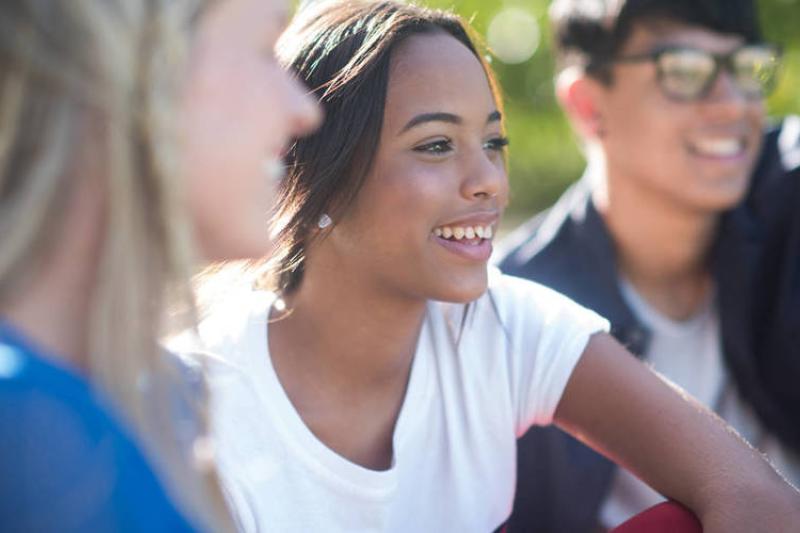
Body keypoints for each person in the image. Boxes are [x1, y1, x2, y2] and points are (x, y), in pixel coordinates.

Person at [175, 1, 800, 531]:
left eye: (493, 143)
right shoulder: (198, 404)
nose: (489, 183)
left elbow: (752, 496)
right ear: (321, 177)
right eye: (436, 145)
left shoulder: (503, 324)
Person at [0, 0, 319, 531]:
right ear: (132, 64)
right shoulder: (26, 429)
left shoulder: (153, 398)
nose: (304, 110)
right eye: (266, 51)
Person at [495, 0, 800, 531]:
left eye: (745, 67)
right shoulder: (517, 309)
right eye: (684, 71)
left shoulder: (789, 205)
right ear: (588, 104)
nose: (733, 104)